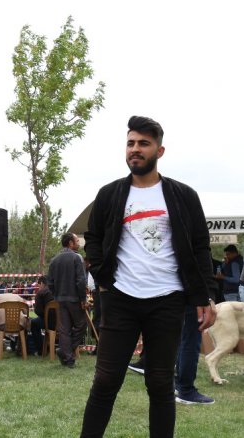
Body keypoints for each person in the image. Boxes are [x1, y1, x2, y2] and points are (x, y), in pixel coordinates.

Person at [80, 116, 216, 437]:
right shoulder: (110, 194)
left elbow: (200, 248)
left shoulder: (183, 196)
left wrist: (205, 295)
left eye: (143, 144)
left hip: (168, 300)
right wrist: (102, 280)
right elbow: (94, 238)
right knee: (106, 380)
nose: (135, 150)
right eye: (131, 143)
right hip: (121, 299)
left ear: (160, 150)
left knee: (159, 382)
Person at [47, 232, 87, 368]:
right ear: (70, 243)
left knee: (64, 330)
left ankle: (67, 357)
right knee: (82, 325)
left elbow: (50, 283)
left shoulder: (54, 260)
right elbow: (81, 281)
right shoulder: (77, 258)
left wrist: (57, 295)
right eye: (76, 240)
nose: (79, 243)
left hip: (61, 299)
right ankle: (66, 352)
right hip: (75, 298)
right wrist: (83, 299)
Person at [29, 275, 54, 356]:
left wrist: (44, 314)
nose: (38, 287)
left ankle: (41, 350)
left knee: (33, 323)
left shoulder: (41, 293)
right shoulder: (59, 290)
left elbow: (38, 311)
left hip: (48, 322)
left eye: (38, 285)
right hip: (63, 322)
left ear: (42, 283)